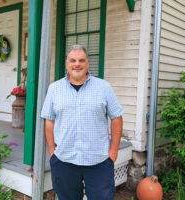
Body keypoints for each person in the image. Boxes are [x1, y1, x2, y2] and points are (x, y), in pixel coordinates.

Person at [41, 45, 123, 200]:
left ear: (87, 63)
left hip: (98, 161)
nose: (76, 64)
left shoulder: (104, 87)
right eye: (73, 60)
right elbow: (49, 120)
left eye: (81, 60)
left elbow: (117, 117)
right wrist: (52, 151)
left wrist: (113, 150)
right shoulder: (54, 89)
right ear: (67, 63)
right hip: (64, 159)